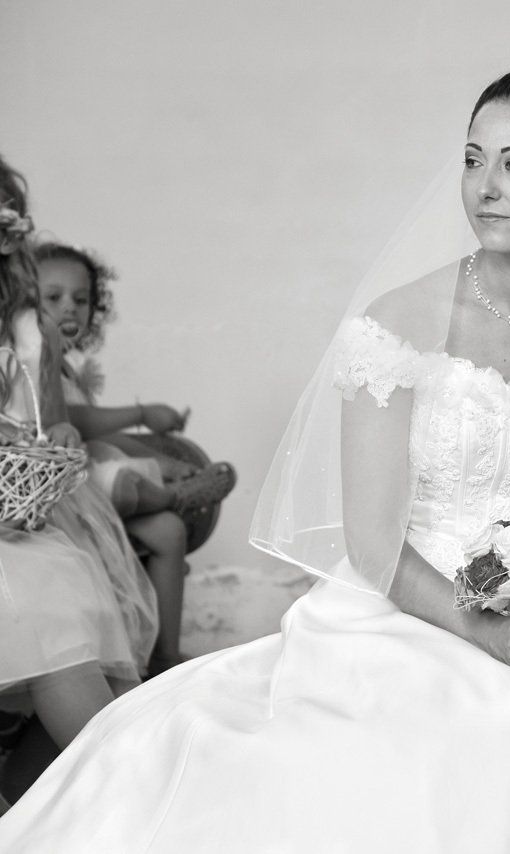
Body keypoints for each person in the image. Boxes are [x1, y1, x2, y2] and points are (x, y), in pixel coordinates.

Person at [0, 48, 510, 852]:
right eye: (474, 160)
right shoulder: (398, 324)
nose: (484, 187)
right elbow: (374, 541)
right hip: (405, 613)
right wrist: (485, 632)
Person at [0, 153, 157, 807]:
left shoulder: (30, 329)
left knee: (67, 599)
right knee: (44, 605)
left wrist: (54, 436)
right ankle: (132, 789)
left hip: (24, 507)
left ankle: (137, 786)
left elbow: (53, 423)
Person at [36, 241, 236, 674]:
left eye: (82, 299)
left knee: (167, 533)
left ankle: (164, 658)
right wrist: (144, 412)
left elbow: (104, 437)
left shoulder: (67, 369)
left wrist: (161, 457)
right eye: (52, 298)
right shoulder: (30, 363)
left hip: (84, 482)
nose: (70, 308)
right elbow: (80, 420)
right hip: (51, 496)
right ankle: (172, 495)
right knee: (125, 484)